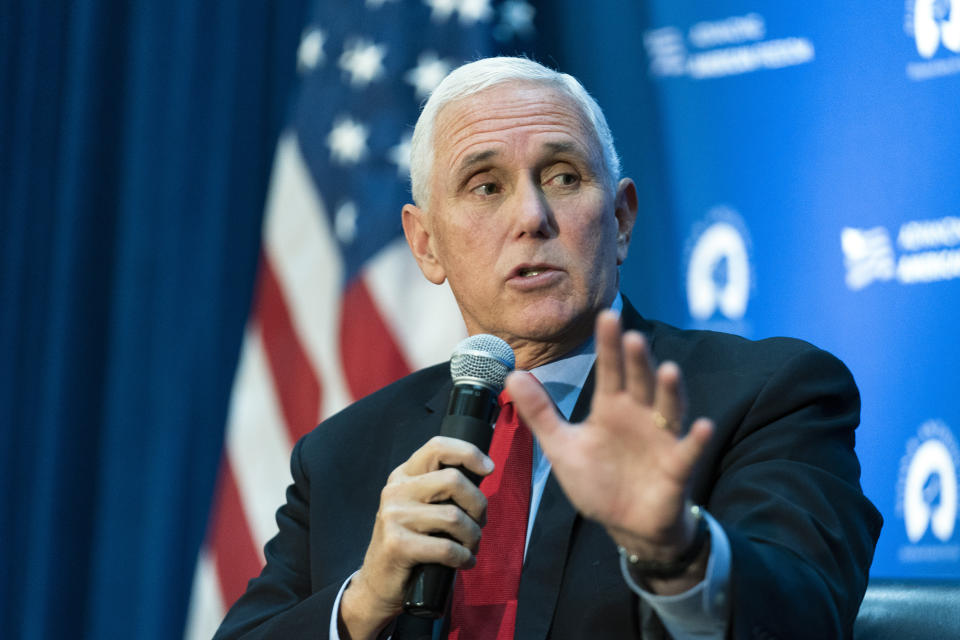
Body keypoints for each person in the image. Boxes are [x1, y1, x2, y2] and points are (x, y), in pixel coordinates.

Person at [215, 57, 881, 639]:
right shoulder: (344, 455)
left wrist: (677, 550)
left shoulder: (763, 395)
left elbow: (808, 615)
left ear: (620, 220)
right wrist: (361, 605)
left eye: (563, 176)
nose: (531, 216)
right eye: (486, 186)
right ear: (426, 245)